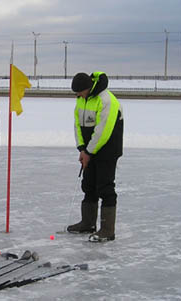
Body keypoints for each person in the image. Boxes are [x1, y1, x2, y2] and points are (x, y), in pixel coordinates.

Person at [67, 71, 123, 242]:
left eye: (79, 92)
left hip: (107, 150)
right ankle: (88, 223)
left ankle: (107, 230)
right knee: (89, 185)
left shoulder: (107, 100)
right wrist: (82, 149)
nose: (77, 95)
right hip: (90, 150)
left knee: (105, 187)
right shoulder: (81, 100)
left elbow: (103, 131)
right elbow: (77, 125)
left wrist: (89, 152)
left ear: (88, 88)